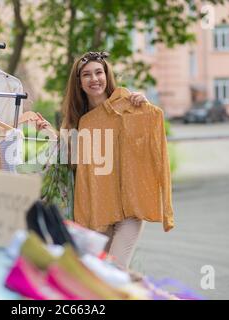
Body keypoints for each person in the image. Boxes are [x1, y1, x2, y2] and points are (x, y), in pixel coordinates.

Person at [36, 51, 151, 269]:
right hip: (98, 210)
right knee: (98, 271)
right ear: (79, 82)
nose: (94, 79)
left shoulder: (125, 107)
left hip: (129, 209)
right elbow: (71, 162)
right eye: (87, 75)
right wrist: (54, 136)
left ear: (107, 76)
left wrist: (142, 107)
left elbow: (145, 144)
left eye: (99, 72)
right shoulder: (76, 121)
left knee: (116, 269)